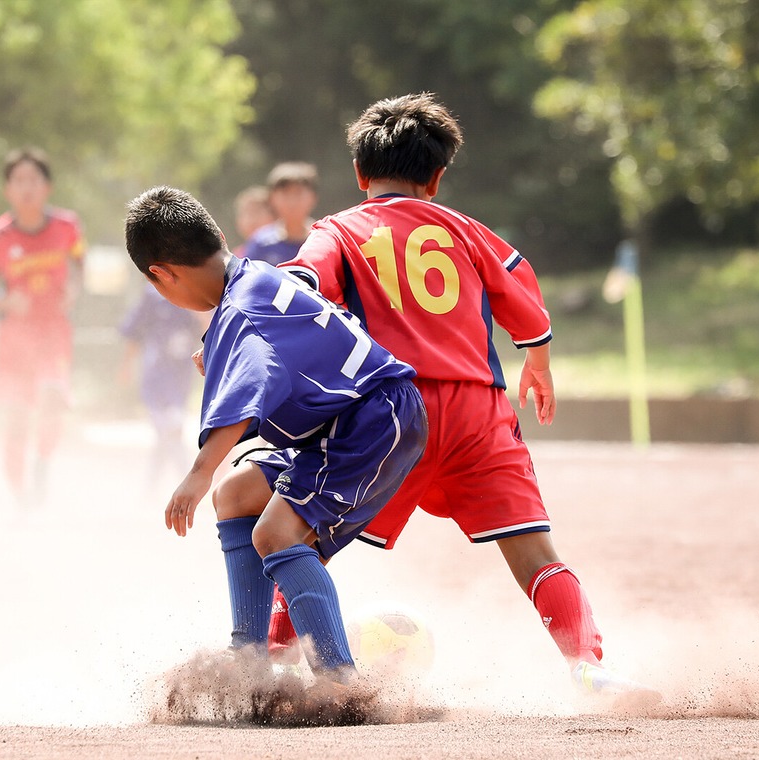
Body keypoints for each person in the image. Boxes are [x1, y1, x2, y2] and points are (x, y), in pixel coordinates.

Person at [224, 93, 656, 699]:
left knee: (306, 539)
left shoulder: (340, 230)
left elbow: (301, 282)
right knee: (535, 551)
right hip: (479, 409)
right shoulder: (467, 229)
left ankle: (272, 666)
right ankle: (589, 664)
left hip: (394, 411)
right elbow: (525, 301)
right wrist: (539, 363)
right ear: (436, 177)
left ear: (359, 174)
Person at [123, 186, 427, 692]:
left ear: (162, 275)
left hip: (371, 420)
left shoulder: (237, 315)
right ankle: (249, 658)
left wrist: (199, 473)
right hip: (350, 414)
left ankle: (341, 681)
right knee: (236, 495)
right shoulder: (254, 274)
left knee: (274, 533)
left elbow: (252, 377)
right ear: (219, 237)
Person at [0, 147, 85, 505]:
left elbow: (80, 262)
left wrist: (75, 289)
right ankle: (21, 499)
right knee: (18, 418)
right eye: (18, 180)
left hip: (54, 332)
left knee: (52, 399)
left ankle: (42, 466)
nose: (26, 188)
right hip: (15, 338)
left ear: (47, 186)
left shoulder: (67, 226)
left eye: (33, 179)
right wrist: (6, 302)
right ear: (7, 190)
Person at [117, 282, 202, 493]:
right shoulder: (152, 293)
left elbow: (206, 329)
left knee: (168, 433)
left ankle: (153, 487)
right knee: (169, 431)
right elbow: (133, 331)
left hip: (180, 378)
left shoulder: (195, 289)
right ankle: (189, 482)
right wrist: (126, 366)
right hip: (155, 377)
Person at [237, 162, 318, 266]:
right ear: (272, 198)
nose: (292, 202)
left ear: (313, 197)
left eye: (298, 193)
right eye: (285, 194)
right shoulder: (261, 243)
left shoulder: (323, 238)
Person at [231, 185, 275, 257]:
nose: (251, 220)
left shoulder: (285, 247)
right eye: (245, 213)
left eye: (257, 212)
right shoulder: (236, 257)